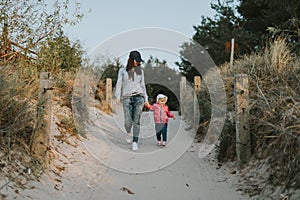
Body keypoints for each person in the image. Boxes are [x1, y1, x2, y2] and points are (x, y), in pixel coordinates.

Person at [115, 50, 150, 151]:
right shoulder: (122, 71)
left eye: (139, 61)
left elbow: (143, 86)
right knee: (127, 121)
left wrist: (146, 99)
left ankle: (135, 141)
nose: (138, 62)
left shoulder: (141, 72)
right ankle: (128, 131)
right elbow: (119, 84)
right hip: (126, 97)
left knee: (136, 120)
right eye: (136, 60)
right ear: (131, 59)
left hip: (139, 97)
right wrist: (117, 96)